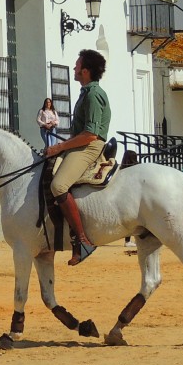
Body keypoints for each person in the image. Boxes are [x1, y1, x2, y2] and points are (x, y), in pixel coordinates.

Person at [43, 49, 111, 266]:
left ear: (86, 70)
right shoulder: (86, 92)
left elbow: (90, 133)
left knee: (59, 186)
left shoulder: (92, 94)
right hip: (83, 142)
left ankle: (83, 241)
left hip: (90, 146)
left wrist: (59, 147)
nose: (74, 68)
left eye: (77, 65)